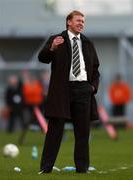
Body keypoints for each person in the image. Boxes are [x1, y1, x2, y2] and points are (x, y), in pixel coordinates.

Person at [38, 10, 100, 174]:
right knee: (55, 131)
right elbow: (42, 58)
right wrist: (51, 48)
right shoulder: (56, 39)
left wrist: (92, 87)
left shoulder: (88, 43)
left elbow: (95, 69)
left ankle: (82, 168)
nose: (81, 23)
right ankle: (46, 168)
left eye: (83, 21)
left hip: (83, 90)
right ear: (68, 22)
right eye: (78, 20)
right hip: (62, 91)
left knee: (82, 132)